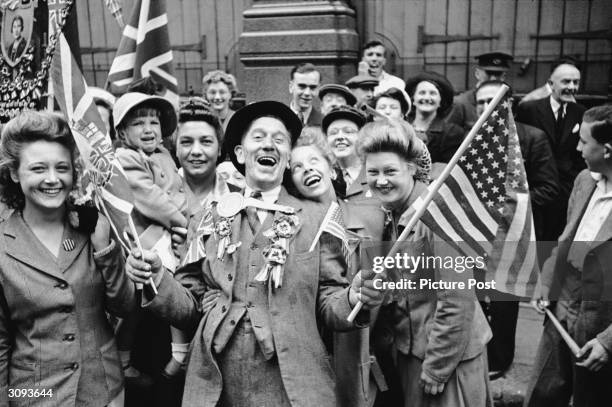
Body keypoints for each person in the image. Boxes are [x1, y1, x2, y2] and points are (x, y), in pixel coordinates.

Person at [125, 100, 383, 406]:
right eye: (258, 137)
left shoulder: (319, 218)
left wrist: (354, 298)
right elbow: (190, 305)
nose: (269, 145)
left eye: (279, 139)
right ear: (239, 153)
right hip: (217, 380)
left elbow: (329, 304)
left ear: (287, 158)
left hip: (294, 382)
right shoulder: (211, 216)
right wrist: (157, 279)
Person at [0, 111, 136, 406]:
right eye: (38, 168)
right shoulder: (2, 243)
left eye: (61, 168)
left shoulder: (93, 226)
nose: (52, 179)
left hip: (102, 390)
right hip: (34, 394)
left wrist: (105, 247)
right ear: (14, 173)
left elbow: (124, 305)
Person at [359, 120, 492, 407]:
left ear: (411, 168)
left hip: (448, 361)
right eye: (373, 172)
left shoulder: (435, 215)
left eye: (390, 171)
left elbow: (457, 299)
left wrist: (437, 366)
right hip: (413, 354)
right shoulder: (394, 213)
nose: (381, 180)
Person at [289, 132, 387, 407]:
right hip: (310, 356)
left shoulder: (372, 218)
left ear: (332, 169)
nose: (307, 168)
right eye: (297, 167)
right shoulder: (291, 229)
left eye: (313, 161)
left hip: (361, 352)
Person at [525, 105, 612, 407]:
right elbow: (565, 239)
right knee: (543, 392)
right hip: (562, 305)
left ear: (608, 150)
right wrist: (546, 281)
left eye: (585, 142)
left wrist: (607, 342)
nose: (577, 148)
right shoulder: (585, 180)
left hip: (603, 321)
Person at [474, 80, 559, 378]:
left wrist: (510, 207)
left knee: (504, 297)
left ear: (508, 104)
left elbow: (549, 188)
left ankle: (500, 358)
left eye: (494, 102)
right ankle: (477, 353)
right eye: (481, 102)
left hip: (512, 230)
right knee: (476, 293)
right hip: (477, 230)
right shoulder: (472, 138)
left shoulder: (532, 138)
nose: (487, 108)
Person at [113, 92, 187, 390]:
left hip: (166, 233)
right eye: (138, 123)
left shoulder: (164, 156)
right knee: (135, 302)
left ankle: (178, 351)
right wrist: (183, 223)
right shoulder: (124, 158)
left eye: (154, 122)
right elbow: (151, 199)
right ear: (121, 132)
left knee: (175, 292)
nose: (148, 129)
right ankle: (124, 357)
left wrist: (179, 218)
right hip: (143, 237)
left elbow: (180, 192)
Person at [516, 59, 586, 242]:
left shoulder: (580, 112)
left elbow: (579, 155)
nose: (571, 87)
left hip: (564, 193)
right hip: (537, 190)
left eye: (575, 82)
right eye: (566, 82)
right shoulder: (529, 109)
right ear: (550, 84)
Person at [405, 71, 465, 163]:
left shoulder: (452, 133)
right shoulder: (402, 127)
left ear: (440, 101)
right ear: (413, 99)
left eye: (432, 93)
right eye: (422, 93)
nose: (427, 97)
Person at [446, 52, 514, 132]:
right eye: (488, 74)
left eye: (497, 74)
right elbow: (449, 133)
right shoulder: (460, 103)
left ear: (504, 76)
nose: (493, 78)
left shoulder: (510, 100)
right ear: (477, 73)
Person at [322, 105, 371, 201]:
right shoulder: (323, 178)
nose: (339, 137)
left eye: (348, 131)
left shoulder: (374, 174)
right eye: (333, 133)